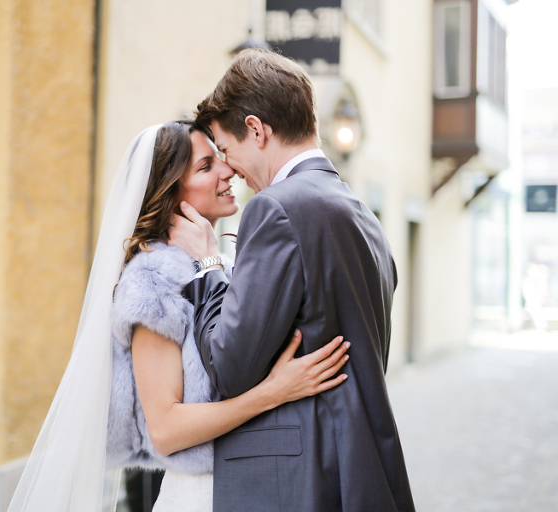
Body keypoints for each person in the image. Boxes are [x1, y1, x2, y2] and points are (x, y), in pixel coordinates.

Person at [6, 121, 349, 512]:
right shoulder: (155, 280)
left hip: (247, 487)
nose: (228, 171)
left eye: (221, 158)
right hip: (201, 497)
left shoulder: (217, 266)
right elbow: (166, 429)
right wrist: (273, 392)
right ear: (171, 194)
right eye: (206, 167)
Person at [168, 49, 416, 512]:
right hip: (358, 472)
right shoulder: (364, 217)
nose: (231, 168)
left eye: (227, 149)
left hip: (294, 485)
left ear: (257, 130)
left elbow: (229, 365)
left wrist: (207, 266)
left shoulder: (275, 208)